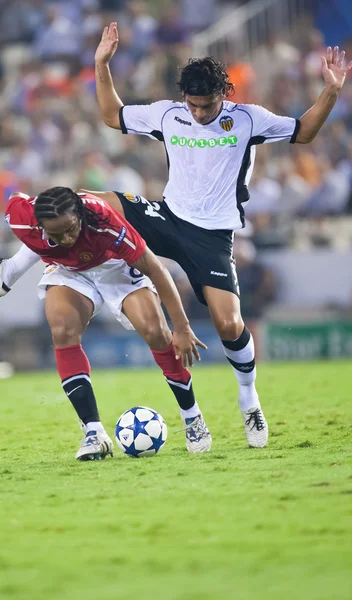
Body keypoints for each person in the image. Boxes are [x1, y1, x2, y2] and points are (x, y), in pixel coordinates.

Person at [93, 23, 352, 448]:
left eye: (206, 104)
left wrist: (331, 91)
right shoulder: (167, 114)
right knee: (93, 201)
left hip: (212, 235)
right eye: (192, 105)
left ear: (223, 95)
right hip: (167, 216)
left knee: (229, 323)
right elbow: (110, 114)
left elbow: (304, 132)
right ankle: (44, 261)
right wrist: (102, 64)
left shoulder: (248, 119)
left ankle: (249, 401)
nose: (197, 113)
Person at [0, 187, 210, 460]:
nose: (66, 238)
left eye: (70, 229)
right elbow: (15, 199)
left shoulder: (105, 223)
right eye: (55, 235)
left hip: (115, 266)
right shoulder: (22, 218)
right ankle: (94, 432)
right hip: (69, 272)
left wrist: (183, 327)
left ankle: (192, 417)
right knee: (62, 329)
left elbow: (156, 269)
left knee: (155, 332)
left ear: (80, 216)